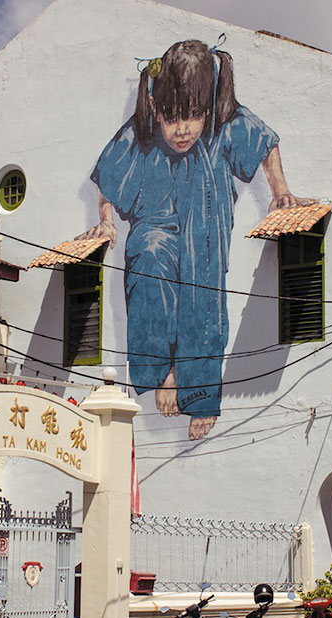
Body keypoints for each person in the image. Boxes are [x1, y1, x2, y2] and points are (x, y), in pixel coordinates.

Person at [78, 38, 299, 440]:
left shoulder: (225, 121)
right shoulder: (141, 131)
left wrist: (280, 190)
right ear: (157, 109)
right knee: (147, 261)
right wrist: (107, 222)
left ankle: (197, 393)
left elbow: (265, 143)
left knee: (201, 298)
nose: (182, 130)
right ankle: (162, 375)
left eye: (193, 116)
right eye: (172, 118)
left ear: (208, 108)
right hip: (155, 223)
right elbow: (109, 175)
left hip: (205, 226)